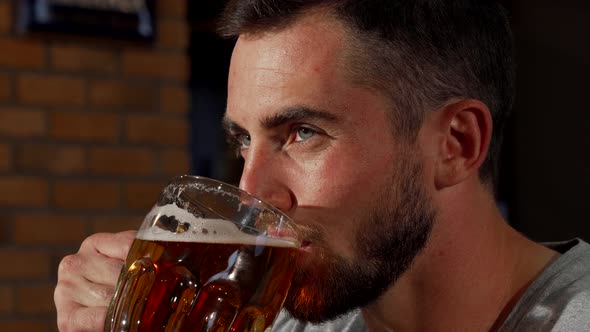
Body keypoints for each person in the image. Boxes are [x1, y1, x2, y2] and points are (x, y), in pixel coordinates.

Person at [54, 0, 590, 331]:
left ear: (456, 144)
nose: (254, 192)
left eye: (302, 133)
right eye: (244, 139)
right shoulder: (270, 319)